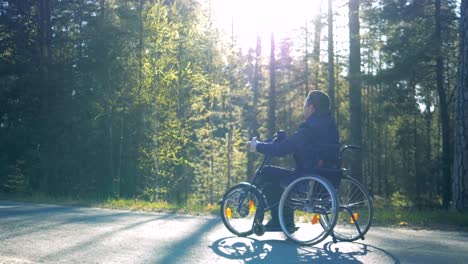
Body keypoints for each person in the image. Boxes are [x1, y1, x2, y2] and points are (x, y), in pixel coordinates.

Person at [246, 90, 340, 230]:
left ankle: (281, 221)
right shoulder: (330, 126)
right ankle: (285, 220)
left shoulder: (309, 127)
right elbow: (303, 146)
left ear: (311, 107)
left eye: (305, 104)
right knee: (281, 175)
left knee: (267, 173)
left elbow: (283, 150)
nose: (303, 107)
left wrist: (257, 146)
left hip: (307, 179)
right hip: (327, 176)